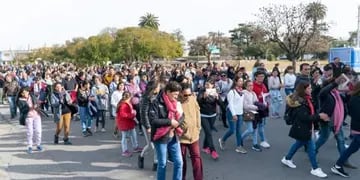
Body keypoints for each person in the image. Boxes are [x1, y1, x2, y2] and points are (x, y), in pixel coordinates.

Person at [281, 82, 330, 178]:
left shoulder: (307, 99)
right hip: (302, 127)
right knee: (311, 148)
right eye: (309, 88)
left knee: (299, 143)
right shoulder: (300, 102)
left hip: (306, 127)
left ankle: (287, 158)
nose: (311, 90)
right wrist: (319, 116)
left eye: (311, 88)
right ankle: (315, 168)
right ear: (304, 90)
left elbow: (310, 113)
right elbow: (305, 117)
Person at [315, 75, 357, 169]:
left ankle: (344, 160)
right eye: (334, 85)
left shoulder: (337, 94)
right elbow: (324, 91)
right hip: (327, 121)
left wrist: (350, 92)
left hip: (337, 121)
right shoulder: (324, 94)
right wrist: (335, 82)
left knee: (341, 140)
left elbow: (345, 100)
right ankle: (312, 152)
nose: (337, 86)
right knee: (323, 138)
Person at [149, 81, 184, 180]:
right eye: (175, 94)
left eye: (178, 94)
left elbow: (182, 116)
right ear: (168, 92)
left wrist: (177, 123)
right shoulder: (156, 102)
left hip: (174, 136)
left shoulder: (176, 102)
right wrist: (170, 122)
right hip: (160, 137)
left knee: (179, 162)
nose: (177, 96)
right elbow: (153, 120)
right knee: (162, 163)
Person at [331, 81, 360, 178]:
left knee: (354, 147)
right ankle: (338, 165)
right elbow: (356, 114)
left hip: (357, 127)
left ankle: (338, 164)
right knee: (353, 147)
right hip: (358, 127)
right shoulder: (355, 99)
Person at [179, 83, 203, 180]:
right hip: (182, 138)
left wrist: (198, 127)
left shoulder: (192, 99)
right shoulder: (177, 103)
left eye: (190, 94)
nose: (188, 97)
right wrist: (181, 130)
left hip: (194, 135)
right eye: (186, 95)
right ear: (180, 93)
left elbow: (197, 112)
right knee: (181, 161)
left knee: (197, 158)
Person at [219, 76, 246, 154]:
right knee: (232, 130)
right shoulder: (232, 92)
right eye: (240, 81)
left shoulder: (242, 92)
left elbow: (241, 103)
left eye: (242, 81)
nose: (241, 82)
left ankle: (239, 146)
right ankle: (222, 140)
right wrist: (234, 114)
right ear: (236, 82)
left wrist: (243, 112)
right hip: (232, 113)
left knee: (239, 130)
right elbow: (230, 104)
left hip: (240, 113)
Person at [197, 79, 222, 160]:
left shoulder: (215, 92)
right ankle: (213, 150)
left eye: (208, 85)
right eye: (206, 84)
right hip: (203, 115)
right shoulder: (201, 91)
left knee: (209, 132)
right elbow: (197, 102)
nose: (206, 86)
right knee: (208, 132)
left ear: (212, 85)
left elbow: (221, 104)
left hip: (213, 115)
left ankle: (204, 147)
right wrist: (203, 97)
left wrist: (217, 98)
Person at [138, 80, 160, 171]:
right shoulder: (146, 97)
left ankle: (155, 163)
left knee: (155, 145)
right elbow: (143, 112)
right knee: (150, 145)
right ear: (154, 89)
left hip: (156, 123)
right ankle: (141, 156)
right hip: (148, 124)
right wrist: (147, 126)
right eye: (158, 87)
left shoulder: (158, 96)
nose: (159, 88)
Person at [17, 87, 43, 154]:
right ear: (21, 93)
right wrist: (30, 108)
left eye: (26, 92)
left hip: (37, 115)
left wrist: (38, 104)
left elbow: (37, 103)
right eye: (23, 93)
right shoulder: (20, 100)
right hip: (28, 117)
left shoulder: (32, 96)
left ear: (28, 92)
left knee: (38, 131)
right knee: (30, 132)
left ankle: (38, 144)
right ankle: (30, 146)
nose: (25, 93)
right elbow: (22, 110)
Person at [116, 91, 143, 157]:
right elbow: (123, 114)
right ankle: (124, 151)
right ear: (130, 97)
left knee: (133, 135)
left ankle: (135, 147)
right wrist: (132, 114)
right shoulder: (124, 105)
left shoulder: (127, 103)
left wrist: (132, 113)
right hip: (125, 123)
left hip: (129, 122)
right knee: (125, 137)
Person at [241, 80, 262, 152]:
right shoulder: (243, 93)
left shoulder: (253, 93)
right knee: (250, 129)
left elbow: (256, 102)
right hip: (247, 113)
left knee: (255, 128)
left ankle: (255, 144)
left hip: (254, 113)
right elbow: (245, 106)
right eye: (249, 85)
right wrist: (256, 107)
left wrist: (260, 105)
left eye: (252, 85)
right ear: (246, 86)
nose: (251, 87)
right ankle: (240, 139)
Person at [252, 71, 271, 149]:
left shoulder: (263, 85)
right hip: (256, 108)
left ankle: (260, 139)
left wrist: (268, 102)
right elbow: (251, 98)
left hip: (264, 107)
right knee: (259, 126)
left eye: (263, 76)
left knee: (262, 125)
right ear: (255, 77)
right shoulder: (252, 85)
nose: (261, 78)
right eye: (259, 76)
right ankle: (262, 140)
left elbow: (266, 95)